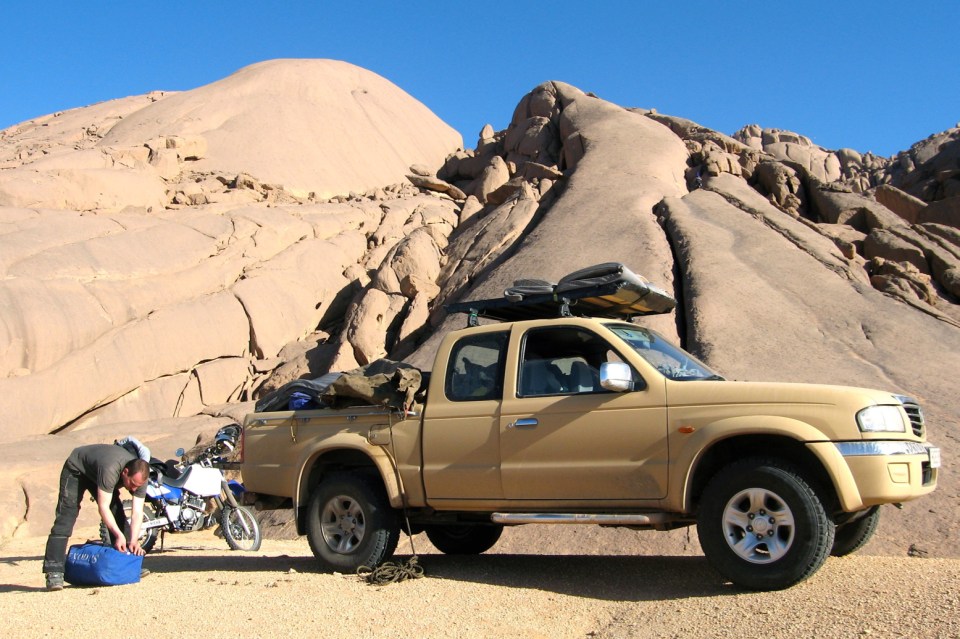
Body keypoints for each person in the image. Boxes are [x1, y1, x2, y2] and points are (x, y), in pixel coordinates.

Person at [42, 444, 150, 591]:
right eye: (132, 484)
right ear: (125, 472)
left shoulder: (140, 478)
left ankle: (126, 563)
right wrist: (119, 535)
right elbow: (103, 507)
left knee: (117, 511)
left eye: (138, 486)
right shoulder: (111, 469)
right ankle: (54, 571)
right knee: (66, 516)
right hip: (77, 469)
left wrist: (133, 540)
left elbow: (137, 512)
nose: (134, 489)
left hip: (99, 471)